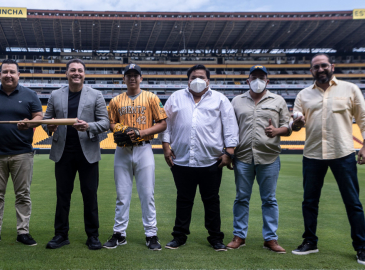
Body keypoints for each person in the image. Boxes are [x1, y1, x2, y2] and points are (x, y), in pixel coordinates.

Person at [291, 54, 365, 265]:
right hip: (312, 154)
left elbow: (364, 117)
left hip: (343, 154)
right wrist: (298, 122)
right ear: (311, 71)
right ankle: (310, 242)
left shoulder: (350, 89)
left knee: (353, 203)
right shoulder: (303, 95)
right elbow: (294, 123)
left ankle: (362, 248)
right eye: (315, 67)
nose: (320, 69)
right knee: (309, 202)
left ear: (332, 67)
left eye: (323, 65)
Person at [161, 64, 238, 251]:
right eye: (194, 76)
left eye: (201, 77)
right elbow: (166, 125)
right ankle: (179, 236)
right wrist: (165, 147)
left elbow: (230, 127)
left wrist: (229, 153)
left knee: (211, 200)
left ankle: (216, 238)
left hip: (211, 160)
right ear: (188, 80)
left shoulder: (220, 99)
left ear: (208, 80)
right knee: (183, 199)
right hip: (182, 160)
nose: (197, 79)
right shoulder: (175, 98)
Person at [42, 59, 109, 250]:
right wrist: (49, 126)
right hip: (63, 152)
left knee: (90, 195)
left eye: (80, 70)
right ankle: (61, 234)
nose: (76, 73)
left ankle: (93, 235)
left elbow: (105, 122)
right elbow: (47, 121)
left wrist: (88, 126)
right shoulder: (55, 95)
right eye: (73, 70)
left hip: (87, 152)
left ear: (84, 74)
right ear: (67, 73)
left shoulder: (96, 95)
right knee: (62, 196)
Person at [0, 59, 43, 246]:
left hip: (22, 153)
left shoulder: (30, 95)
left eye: (12, 72)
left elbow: (38, 116)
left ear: (18, 75)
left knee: (23, 194)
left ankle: (23, 232)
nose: (8, 75)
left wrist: (30, 123)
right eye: (5, 72)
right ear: (0, 74)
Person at [103, 63, 167, 250]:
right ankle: (119, 234)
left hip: (144, 148)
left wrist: (141, 132)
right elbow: (111, 123)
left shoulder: (151, 98)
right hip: (122, 150)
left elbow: (162, 123)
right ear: (124, 79)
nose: (132, 78)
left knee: (147, 194)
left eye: (135, 75)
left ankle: (151, 234)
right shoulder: (115, 101)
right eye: (128, 75)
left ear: (141, 78)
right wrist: (121, 129)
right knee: (122, 195)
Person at [228, 65, 291, 253]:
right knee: (241, 198)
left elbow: (288, 127)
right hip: (243, 157)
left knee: (269, 199)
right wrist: (229, 152)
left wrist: (277, 130)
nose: (258, 80)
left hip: (269, 156)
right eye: (254, 77)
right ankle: (239, 236)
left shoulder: (278, 100)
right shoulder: (236, 101)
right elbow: (230, 128)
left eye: (261, 77)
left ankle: (270, 239)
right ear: (248, 80)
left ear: (267, 81)